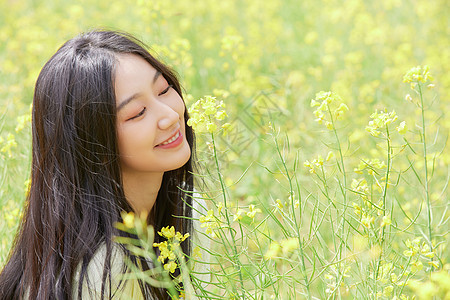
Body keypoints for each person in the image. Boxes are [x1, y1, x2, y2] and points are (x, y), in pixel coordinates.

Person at [0, 30, 201, 299]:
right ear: (93, 143)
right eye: (137, 113)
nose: (170, 116)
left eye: (164, 90)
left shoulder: (188, 206)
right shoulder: (102, 273)